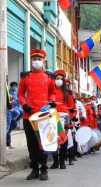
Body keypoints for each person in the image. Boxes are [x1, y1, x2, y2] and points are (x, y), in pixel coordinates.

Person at [18, 49, 55, 181]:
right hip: (28, 115)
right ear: (31, 61)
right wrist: (24, 105)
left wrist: (52, 102)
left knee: (43, 143)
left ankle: (44, 169)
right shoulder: (25, 77)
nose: (36, 61)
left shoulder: (49, 78)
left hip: (43, 115)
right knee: (31, 144)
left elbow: (52, 93)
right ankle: (34, 169)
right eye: (34, 59)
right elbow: (20, 94)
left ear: (44, 60)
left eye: (39, 59)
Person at [50, 70, 75, 169]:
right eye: (57, 78)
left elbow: (72, 107)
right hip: (52, 117)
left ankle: (62, 161)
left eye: (61, 79)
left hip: (64, 118)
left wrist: (71, 117)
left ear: (64, 80)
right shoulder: (50, 90)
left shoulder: (68, 92)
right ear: (54, 79)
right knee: (53, 140)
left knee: (63, 140)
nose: (59, 80)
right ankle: (55, 162)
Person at [6, 82, 23, 149]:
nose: (15, 87)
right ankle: (8, 144)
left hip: (15, 114)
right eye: (14, 86)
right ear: (11, 86)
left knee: (9, 130)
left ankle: (8, 144)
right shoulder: (9, 93)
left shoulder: (16, 93)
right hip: (10, 113)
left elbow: (18, 103)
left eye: (16, 86)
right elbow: (11, 104)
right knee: (8, 129)